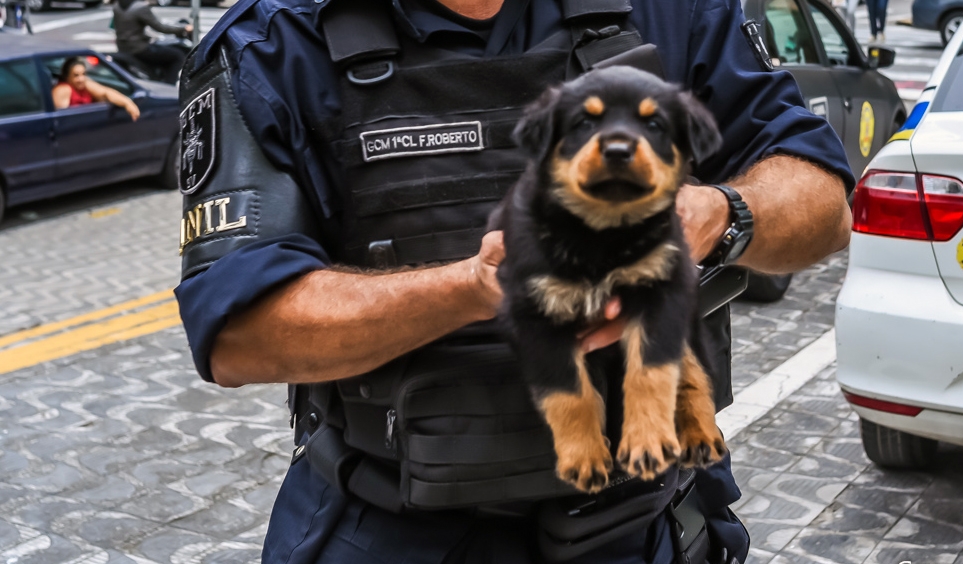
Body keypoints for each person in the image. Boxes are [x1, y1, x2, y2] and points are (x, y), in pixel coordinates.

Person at [173, 0, 856, 560]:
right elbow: (239, 331)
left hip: (645, 523)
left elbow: (822, 201)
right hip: (395, 528)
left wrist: (722, 214)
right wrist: (472, 287)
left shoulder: (672, 11)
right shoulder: (274, 43)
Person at [113, 0, 191, 82]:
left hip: (123, 47)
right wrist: (184, 28)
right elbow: (160, 27)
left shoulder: (117, 6)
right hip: (139, 49)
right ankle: (169, 85)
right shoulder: (140, 7)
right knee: (177, 55)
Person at [51, 57, 140, 121]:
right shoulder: (63, 89)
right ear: (67, 77)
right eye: (76, 75)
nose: (81, 79)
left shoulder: (85, 84)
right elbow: (60, 119)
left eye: (83, 74)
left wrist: (127, 103)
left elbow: (106, 93)